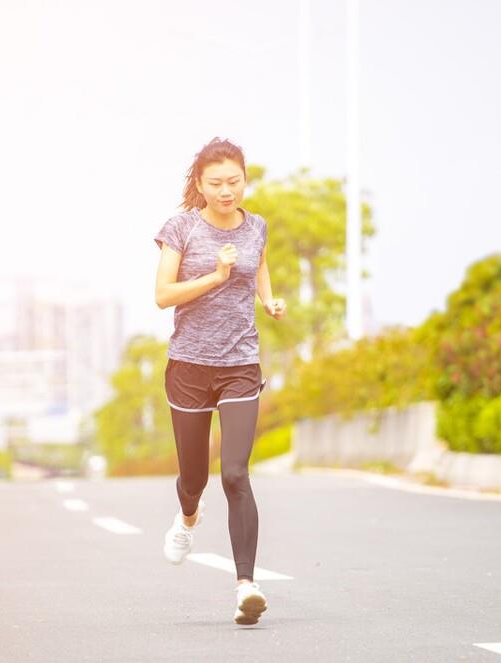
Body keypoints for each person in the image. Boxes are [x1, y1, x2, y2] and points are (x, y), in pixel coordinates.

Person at [153, 137, 287, 626]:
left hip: (239, 364)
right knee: (194, 479)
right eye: (216, 183)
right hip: (189, 366)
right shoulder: (181, 229)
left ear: (245, 180)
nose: (227, 191)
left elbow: (259, 268)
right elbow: (163, 295)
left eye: (235, 181)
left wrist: (268, 300)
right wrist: (215, 276)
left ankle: (246, 586)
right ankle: (188, 517)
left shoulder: (257, 228)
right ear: (199, 185)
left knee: (234, 473)